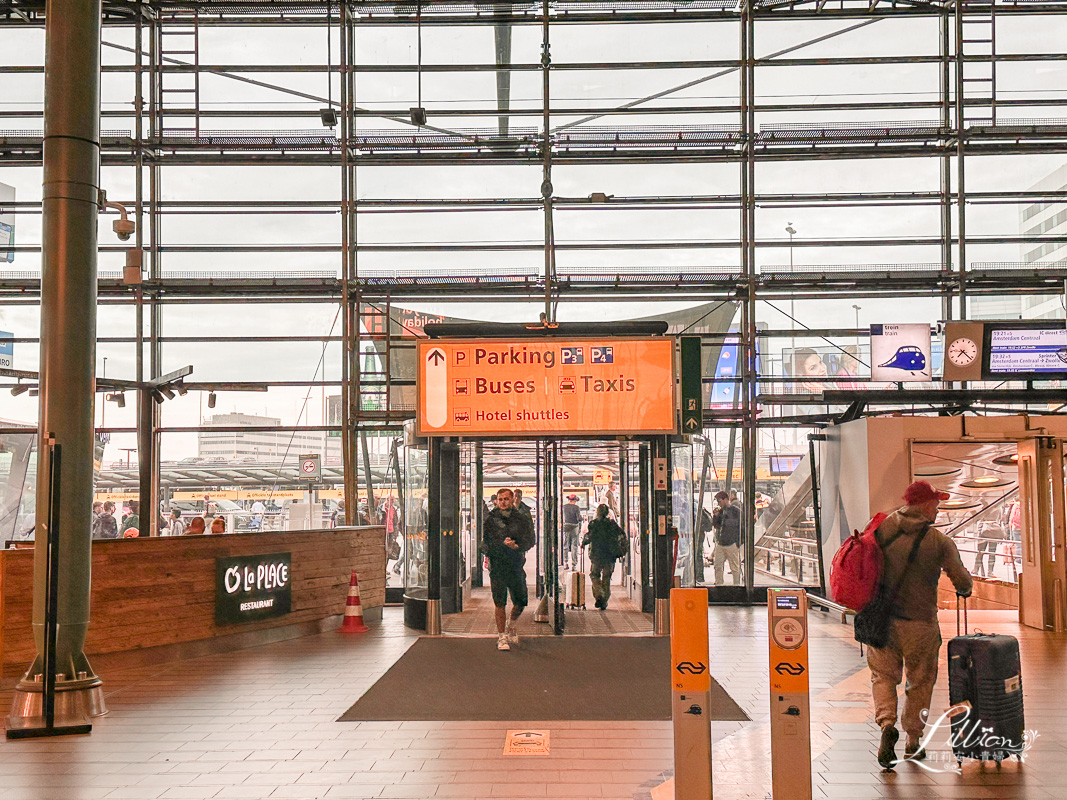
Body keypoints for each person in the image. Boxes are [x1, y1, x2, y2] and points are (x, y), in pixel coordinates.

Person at [868, 480, 973, 769]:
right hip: (921, 625)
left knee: (883, 677)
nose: (938, 509)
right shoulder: (938, 541)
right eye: (935, 503)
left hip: (881, 623)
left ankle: (886, 724)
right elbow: (961, 579)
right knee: (921, 681)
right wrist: (965, 589)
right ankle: (913, 740)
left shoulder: (880, 529)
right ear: (926, 505)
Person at [481, 488, 535, 651]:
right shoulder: (490, 520)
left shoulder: (521, 519)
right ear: (496, 501)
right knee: (499, 601)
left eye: (506, 499)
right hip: (498, 565)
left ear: (512, 500)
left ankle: (512, 624)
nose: (503, 502)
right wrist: (499, 545)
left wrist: (517, 546)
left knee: (520, 600)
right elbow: (484, 544)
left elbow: (530, 539)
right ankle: (501, 636)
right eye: (500, 499)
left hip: (516, 564)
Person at [581, 504, 625, 610]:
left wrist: (584, 543)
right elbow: (621, 535)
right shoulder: (612, 524)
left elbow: (589, 536)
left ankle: (599, 594)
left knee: (594, 575)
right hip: (610, 556)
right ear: (607, 513)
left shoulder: (594, 524)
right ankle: (604, 600)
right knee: (607, 577)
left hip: (596, 555)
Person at [711, 490, 742, 585]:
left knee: (735, 567)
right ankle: (719, 584)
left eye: (719, 501)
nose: (718, 504)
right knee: (718, 566)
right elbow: (716, 525)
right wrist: (715, 517)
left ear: (725, 500)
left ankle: (736, 585)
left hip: (731, 543)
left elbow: (742, 527)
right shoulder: (720, 512)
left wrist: (738, 542)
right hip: (721, 543)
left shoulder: (736, 511)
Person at [562, 494, 582, 569]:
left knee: (565, 545)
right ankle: (574, 564)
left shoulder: (564, 507)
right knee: (574, 545)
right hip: (574, 526)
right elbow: (579, 518)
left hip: (566, 526)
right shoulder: (576, 508)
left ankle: (565, 562)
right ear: (574, 500)